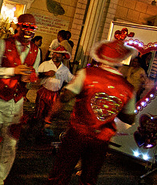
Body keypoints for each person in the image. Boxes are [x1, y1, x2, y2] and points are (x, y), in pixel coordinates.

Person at [44, 39, 137, 185]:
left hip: (77, 133)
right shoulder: (127, 87)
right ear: (119, 61)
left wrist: (49, 119)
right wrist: (113, 107)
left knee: (61, 172)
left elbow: (65, 97)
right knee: (89, 177)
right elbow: (130, 118)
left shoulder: (87, 74)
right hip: (102, 139)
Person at [0, 14, 40, 185]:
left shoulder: (36, 50)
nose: (28, 31)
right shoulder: (3, 44)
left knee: (10, 143)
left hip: (17, 101)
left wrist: (31, 77)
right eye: (25, 27)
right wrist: (13, 71)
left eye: (32, 28)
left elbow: (34, 72)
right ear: (18, 27)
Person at [30, 45, 73, 139]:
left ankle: (42, 134)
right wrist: (45, 74)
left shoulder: (64, 69)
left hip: (55, 94)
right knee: (38, 113)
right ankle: (32, 132)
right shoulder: (45, 64)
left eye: (59, 54)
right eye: (55, 53)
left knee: (50, 114)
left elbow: (72, 80)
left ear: (63, 57)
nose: (56, 55)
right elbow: (34, 75)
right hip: (44, 92)